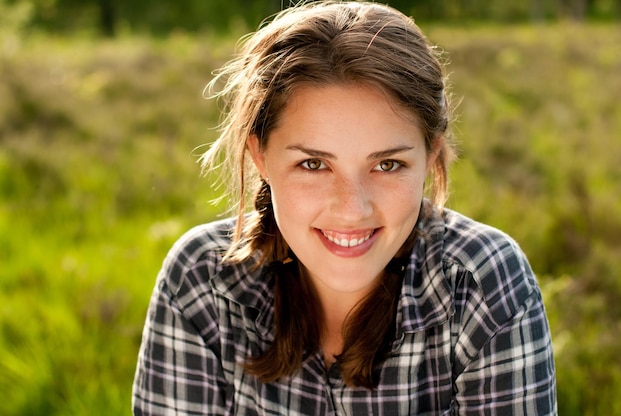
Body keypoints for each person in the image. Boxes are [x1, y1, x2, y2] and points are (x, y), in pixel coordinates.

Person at [132, 1, 557, 414]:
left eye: (387, 164)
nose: (352, 209)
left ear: (430, 157)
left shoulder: (481, 285)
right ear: (260, 157)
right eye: (313, 164)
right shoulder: (200, 282)